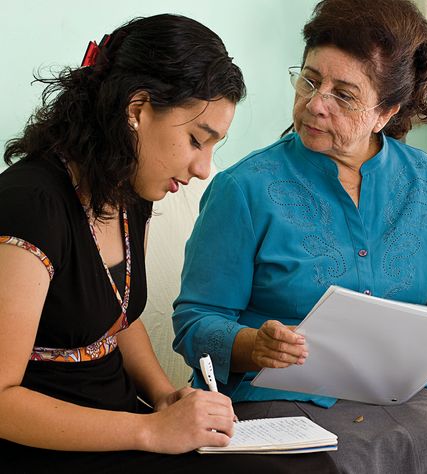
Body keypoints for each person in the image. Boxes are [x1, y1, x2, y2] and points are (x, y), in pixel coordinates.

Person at [0, 13, 338, 474]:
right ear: (137, 110)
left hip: (123, 423)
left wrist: (166, 397)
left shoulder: (127, 189)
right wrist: (150, 431)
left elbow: (117, 317)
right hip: (52, 444)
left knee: (310, 467)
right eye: (198, 140)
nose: (203, 168)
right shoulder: (30, 206)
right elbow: (2, 401)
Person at [172, 1, 427, 473]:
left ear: (385, 112)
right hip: (276, 396)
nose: (315, 103)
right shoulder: (243, 189)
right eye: (309, 80)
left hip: (403, 397)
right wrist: (251, 344)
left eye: (343, 95)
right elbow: (196, 320)